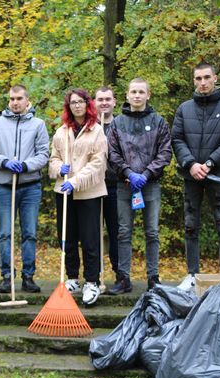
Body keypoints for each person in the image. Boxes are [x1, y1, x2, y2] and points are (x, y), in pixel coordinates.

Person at [172, 62, 220, 290]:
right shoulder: (184, 109)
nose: (202, 83)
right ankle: (192, 274)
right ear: (193, 81)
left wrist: (210, 162)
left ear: (215, 78)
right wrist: (191, 163)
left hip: (218, 175)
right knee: (191, 225)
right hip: (191, 175)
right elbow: (177, 139)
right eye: (198, 79)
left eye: (206, 78)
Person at [107, 78, 172, 293]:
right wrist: (127, 172)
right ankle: (123, 277)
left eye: (141, 92)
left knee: (152, 231)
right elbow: (112, 152)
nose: (137, 95)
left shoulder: (158, 122)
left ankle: (153, 278)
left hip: (150, 185)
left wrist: (146, 173)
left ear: (148, 95)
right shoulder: (117, 123)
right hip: (125, 185)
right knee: (124, 232)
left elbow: (165, 152)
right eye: (133, 92)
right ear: (127, 95)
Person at [0, 85, 49, 294]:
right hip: (4, 186)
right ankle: (6, 275)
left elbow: (43, 154)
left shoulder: (38, 124)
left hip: (30, 186)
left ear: (27, 100)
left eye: (19, 98)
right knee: (5, 233)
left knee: (29, 233)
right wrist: (4, 162)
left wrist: (26, 165)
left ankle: (28, 276)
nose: (15, 102)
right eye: (12, 99)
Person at [49, 88, 108, 306]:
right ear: (69, 106)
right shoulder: (61, 132)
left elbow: (98, 163)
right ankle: (72, 276)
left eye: (80, 102)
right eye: (73, 102)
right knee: (67, 236)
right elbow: (53, 158)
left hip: (89, 192)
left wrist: (76, 180)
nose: (77, 106)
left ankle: (91, 281)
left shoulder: (97, 131)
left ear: (87, 104)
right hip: (64, 191)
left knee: (90, 238)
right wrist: (59, 168)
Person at [94, 86, 119, 283]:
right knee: (93, 231)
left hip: (115, 185)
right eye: (100, 99)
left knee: (116, 231)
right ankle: (95, 275)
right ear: (94, 102)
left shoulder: (120, 125)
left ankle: (119, 273)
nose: (104, 102)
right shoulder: (89, 127)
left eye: (107, 99)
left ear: (114, 102)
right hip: (93, 186)